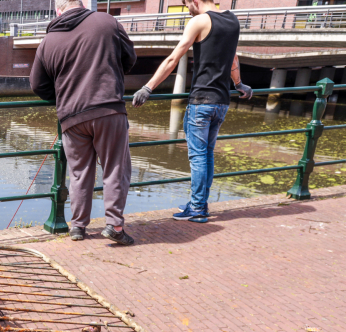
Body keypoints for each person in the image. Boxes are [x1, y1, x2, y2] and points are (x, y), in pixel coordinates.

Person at [133, 0, 252, 223]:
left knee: (198, 157)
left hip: (201, 101)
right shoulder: (232, 20)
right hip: (222, 101)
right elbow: (233, 57)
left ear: (195, 1)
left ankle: (197, 208)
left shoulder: (199, 21)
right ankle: (200, 203)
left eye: (187, 3)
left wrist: (148, 87)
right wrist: (238, 84)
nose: (187, 8)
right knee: (207, 154)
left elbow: (173, 58)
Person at [30, 0, 137, 245]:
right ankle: (114, 225)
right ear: (81, 4)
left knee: (79, 173)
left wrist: (63, 95)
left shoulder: (48, 41)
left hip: (71, 116)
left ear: (58, 10)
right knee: (115, 168)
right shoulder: (107, 22)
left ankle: (77, 226)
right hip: (108, 109)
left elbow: (37, 85)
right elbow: (130, 58)